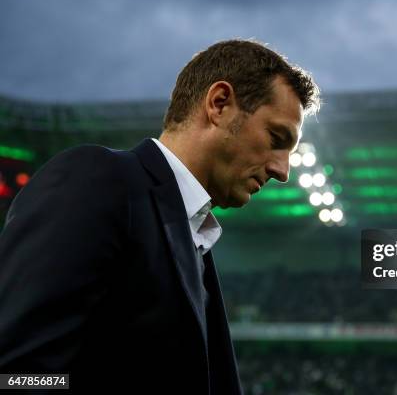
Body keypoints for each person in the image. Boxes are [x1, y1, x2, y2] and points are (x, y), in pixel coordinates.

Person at [0, 39, 320, 393]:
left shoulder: (191, 232)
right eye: (276, 137)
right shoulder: (98, 180)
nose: (283, 171)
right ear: (219, 104)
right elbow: (15, 375)